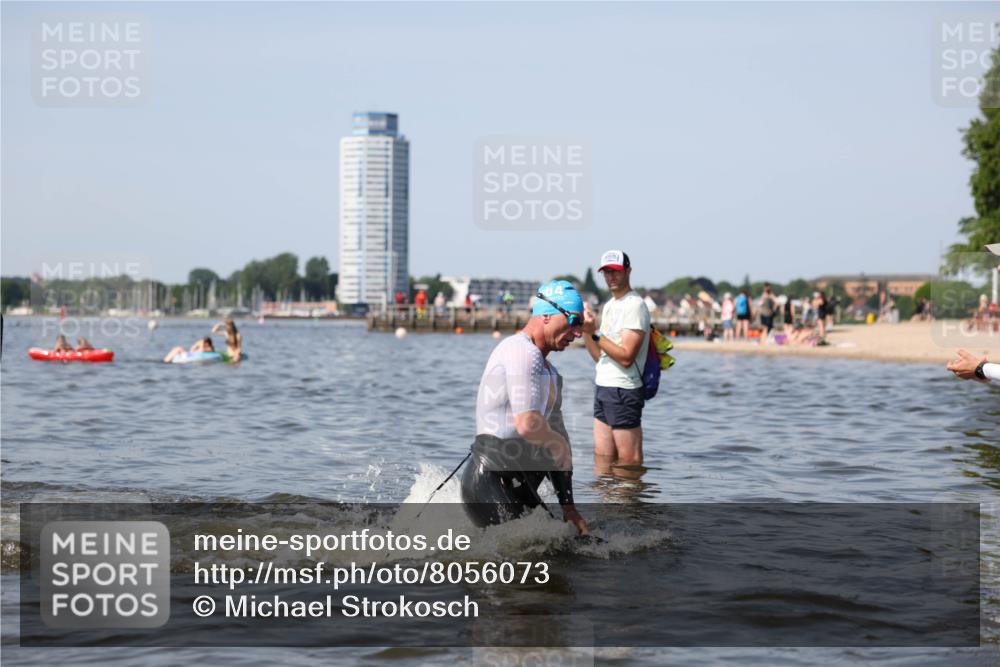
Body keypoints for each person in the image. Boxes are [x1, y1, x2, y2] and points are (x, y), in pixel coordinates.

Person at [461, 279, 589, 535]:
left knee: (567, 548)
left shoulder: (550, 373)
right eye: (574, 322)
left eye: (582, 326)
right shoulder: (521, 351)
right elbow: (528, 424)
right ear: (547, 315)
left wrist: (569, 508)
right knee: (530, 563)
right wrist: (557, 442)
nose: (578, 334)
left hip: (517, 482)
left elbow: (559, 437)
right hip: (489, 480)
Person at [582, 250, 650, 468]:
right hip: (603, 386)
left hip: (624, 389)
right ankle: (606, 503)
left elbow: (627, 357)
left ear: (628, 271)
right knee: (602, 460)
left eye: (616, 271)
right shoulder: (610, 305)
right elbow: (599, 356)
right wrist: (587, 330)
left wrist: (596, 333)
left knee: (629, 463)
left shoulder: (635, 305)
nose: (611, 276)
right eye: (606, 272)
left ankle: (629, 502)